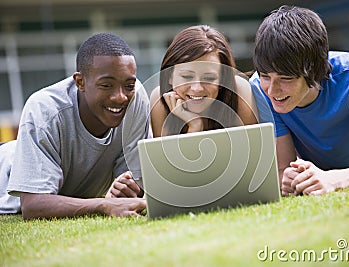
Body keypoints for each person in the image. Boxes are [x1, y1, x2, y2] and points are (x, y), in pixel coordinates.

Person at [250, 5, 349, 197]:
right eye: (265, 76)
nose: (272, 90)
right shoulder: (260, 90)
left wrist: (333, 180)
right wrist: (288, 178)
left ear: (313, 71)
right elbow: (283, 168)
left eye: (285, 79)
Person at [0, 32, 150, 219]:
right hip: (6, 167)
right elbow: (33, 205)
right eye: (106, 85)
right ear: (80, 82)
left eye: (128, 85)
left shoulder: (136, 100)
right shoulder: (45, 109)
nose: (120, 96)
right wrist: (104, 204)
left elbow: (136, 186)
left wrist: (127, 189)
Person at [150, 25, 259, 137]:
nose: (197, 88)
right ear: (169, 76)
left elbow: (254, 151)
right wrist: (195, 126)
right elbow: (166, 155)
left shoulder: (239, 91)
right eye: (187, 76)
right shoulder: (159, 101)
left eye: (209, 78)